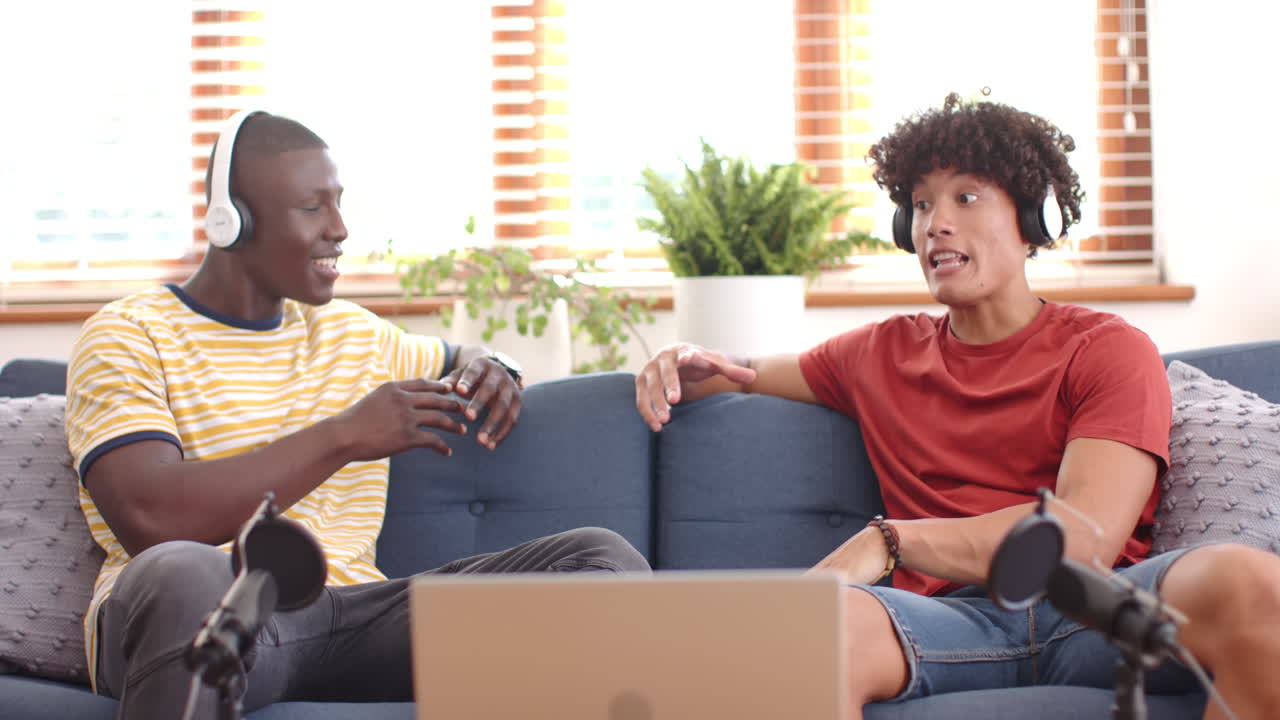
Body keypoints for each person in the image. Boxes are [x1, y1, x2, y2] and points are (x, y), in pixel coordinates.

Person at [634, 93, 1280, 718]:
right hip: (945, 619)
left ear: (1035, 219)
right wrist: (680, 360)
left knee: (1253, 584)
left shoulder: (1108, 349)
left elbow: (1084, 537)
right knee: (816, 634)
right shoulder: (880, 352)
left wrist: (891, 541)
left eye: (965, 197)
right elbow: (737, 373)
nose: (934, 223)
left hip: (1093, 609)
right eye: (920, 204)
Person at [65, 111, 650, 719]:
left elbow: (462, 355)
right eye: (312, 207)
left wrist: (496, 364)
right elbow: (151, 517)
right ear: (232, 220)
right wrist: (345, 436)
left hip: (352, 623)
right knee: (183, 573)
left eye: (339, 204)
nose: (340, 229)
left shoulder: (354, 333)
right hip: (216, 606)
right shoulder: (129, 334)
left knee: (601, 558)